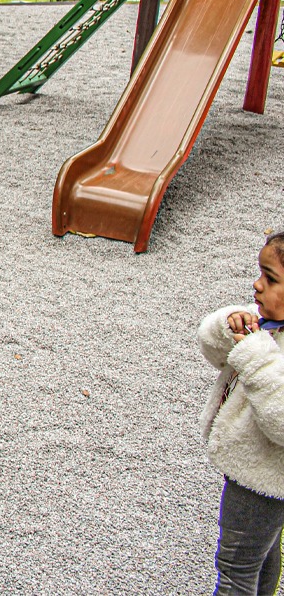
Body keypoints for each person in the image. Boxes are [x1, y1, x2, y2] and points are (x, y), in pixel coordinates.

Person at [197, 232, 284, 594]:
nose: (257, 284)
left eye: (271, 278)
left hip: (262, 477)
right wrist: (229, 323)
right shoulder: (270, 326)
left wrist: (255, 354)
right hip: (263, 474)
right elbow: (214, 350)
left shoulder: (266, 344)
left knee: (235, 569)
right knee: (260, 555)